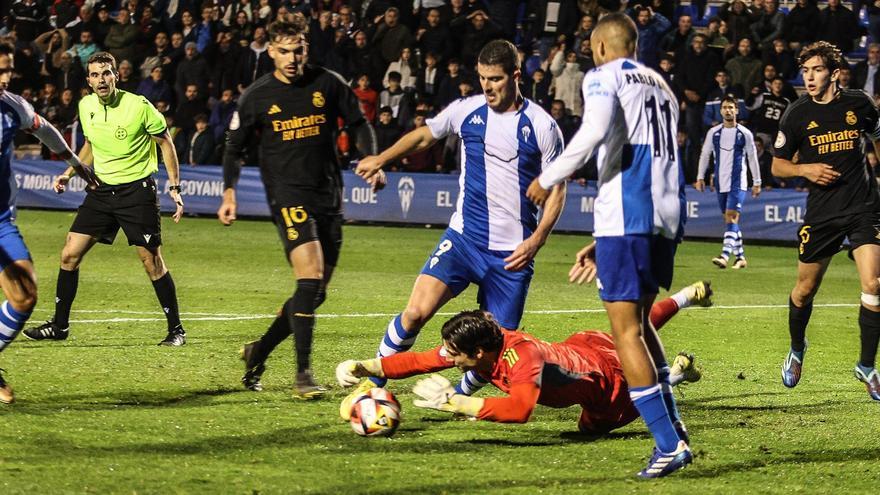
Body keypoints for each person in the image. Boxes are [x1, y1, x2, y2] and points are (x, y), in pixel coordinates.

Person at [351, 39, 567, 419]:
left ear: (516, 76)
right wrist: (381, 158)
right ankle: (374, 386)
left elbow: (558, 187)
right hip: (464, 240)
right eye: (483, 78)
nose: (487, 87)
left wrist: (537, 239)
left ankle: (455, 399)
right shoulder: (467, 111)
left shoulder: (542, 126)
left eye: (496, 79)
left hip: (511, 257)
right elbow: (423, 135)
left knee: (491, 349)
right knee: (416, 312)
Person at [526, 13, 691, 478]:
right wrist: (603, 239)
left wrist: (548, 176)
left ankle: (666, 445)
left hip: (630, 214)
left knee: (625, 333)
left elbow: (594, 133)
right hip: (664, 216)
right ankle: (674, 431)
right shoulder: (661, 84)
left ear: (599, 47)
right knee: (640, 322)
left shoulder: (604, 76)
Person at [218, 18, 379, 400]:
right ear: (271, 50)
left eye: (298, 50)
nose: (292, 58)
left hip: (328, 195)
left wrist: (371, 158)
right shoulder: (257, 95)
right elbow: (233, 148)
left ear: (306, 48)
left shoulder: (328, 83)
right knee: (309, 279)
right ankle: (303, 374)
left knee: (315, 292)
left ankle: (258, 351)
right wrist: (229, 193)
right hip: (287, 196)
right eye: (284, 51)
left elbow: (358, 123)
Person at [336, 281, 711, 430]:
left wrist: (456, 402)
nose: (446, 356)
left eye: (453, 352)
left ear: (478, 353)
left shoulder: (522, 359)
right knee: (632, 329)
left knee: (587, 430)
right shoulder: (482, 345)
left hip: (611, 388)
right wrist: (365, 365)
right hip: (586, 347)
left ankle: (672, 376)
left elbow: (520, 410)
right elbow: (421, 360)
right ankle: (684, 298)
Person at [24, 51, 186, 346]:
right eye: (95, 75)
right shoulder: (86, 106)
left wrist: (175, 187)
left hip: (137, 192)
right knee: (69, 254)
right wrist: (69, 172)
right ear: (88, 80)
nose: (101, 79)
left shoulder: (139, 106)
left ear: (116, 76)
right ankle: (59, 326)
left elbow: (165, 142)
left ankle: (176, 330)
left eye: (106, 73)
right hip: (101, 190)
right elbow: (90, 144)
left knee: (151, 262)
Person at [772, 41, 880, 402]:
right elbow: (778, 164)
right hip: (822, 214)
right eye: (805, 71)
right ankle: (797, 347)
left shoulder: (859, 105)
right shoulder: (796, 113)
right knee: (804, 290)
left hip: (864, 206)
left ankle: (866, 366)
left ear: (834, 73)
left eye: (817, 70)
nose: (810, 77)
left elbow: (877, 134)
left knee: (874, 284)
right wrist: (806, 169)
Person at [0, 42, 98, 403]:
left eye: (8, 70)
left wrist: (75, 160)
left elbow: (44, 130)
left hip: (0, 220)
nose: (5, 78)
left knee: (25, 295)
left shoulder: (12, 106)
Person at [696, 96, 762, 269]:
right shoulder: (714, 133)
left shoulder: (745, 133)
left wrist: (757, 182)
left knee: (732, 216)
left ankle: (724, 255)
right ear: (720, 110)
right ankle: (740, 258)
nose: (728, 110)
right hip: (720, 181)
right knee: (730, 220)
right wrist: (700, 177)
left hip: (737, 182)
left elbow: (752, 158)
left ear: (737, 110)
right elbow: (705, 155)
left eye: (731, 107)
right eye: (725, 107)